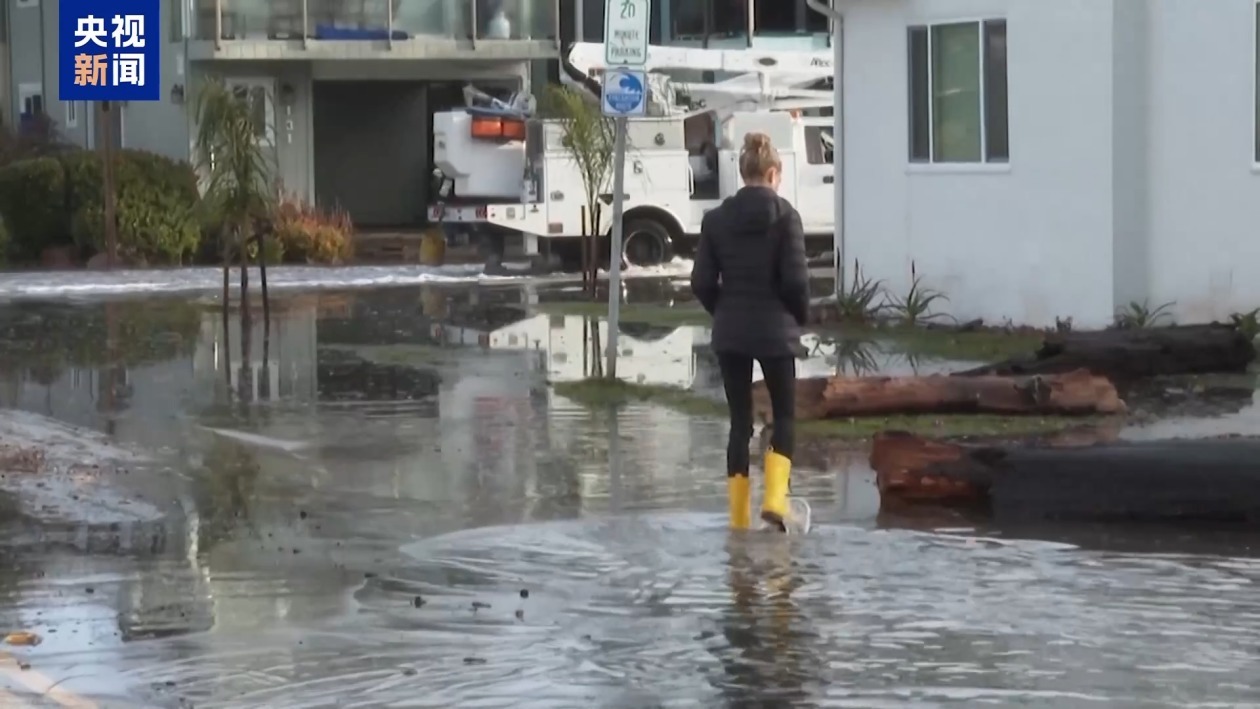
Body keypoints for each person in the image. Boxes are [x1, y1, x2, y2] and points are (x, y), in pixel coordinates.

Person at [690, 131, 811, 532]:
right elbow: (795, 282)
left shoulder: (716, 219)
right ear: (774, 173)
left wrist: (722, 310)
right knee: (785, 416)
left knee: (740, 423)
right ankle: (775, 500)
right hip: (776, 331)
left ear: (742, 173)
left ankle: (739, 521)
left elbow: (702, 282)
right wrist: (799, 318)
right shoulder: (786, 216)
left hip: (732, 332)